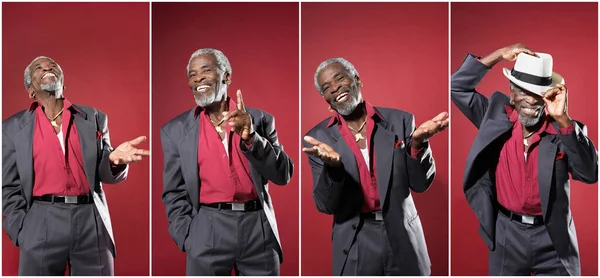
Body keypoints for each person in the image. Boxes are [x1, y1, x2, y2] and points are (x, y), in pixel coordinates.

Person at [451, 43, 598, 275]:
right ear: (511, 93)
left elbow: (590, 174)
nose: (530, 100)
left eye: (537, 94)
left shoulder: (566, 131)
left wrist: (564, 120)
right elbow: (457, 86)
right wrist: (499, 55)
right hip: (507, 235)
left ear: (548, 96)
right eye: (523, 91)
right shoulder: (494, 117)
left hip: (553, 238)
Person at [2, 56, 150, 275]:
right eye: (38, 68)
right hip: (40, 219)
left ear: (64, 84)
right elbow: (8, 186)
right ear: (31, 91)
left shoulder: (95, 117)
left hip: (91, 218)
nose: (47, 68)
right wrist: (22, 231)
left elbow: (105, 175)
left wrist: (114, 161)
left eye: (52, 66)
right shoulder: (11, 128)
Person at [302, 57, 448, 275]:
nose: (335, 88)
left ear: (357, 80)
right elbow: (325, 205)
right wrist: (333, 170)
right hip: (355, 240)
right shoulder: (317, 138)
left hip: (403, 236)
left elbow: (420, 184)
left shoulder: (401, 120)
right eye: (326, 88)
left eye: (339, 78)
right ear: (326, 100)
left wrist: (418, 143)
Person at [160, 48, 293, 275]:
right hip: (208, 228)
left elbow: (283, 175)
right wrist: (189, 236)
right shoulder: (174, 131)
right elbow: (174, 191)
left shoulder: (260, 120)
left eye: (206, 71)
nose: (198, 78)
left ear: (227, 76)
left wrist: (251, 136)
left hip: (258, 227)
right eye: (192, 75)